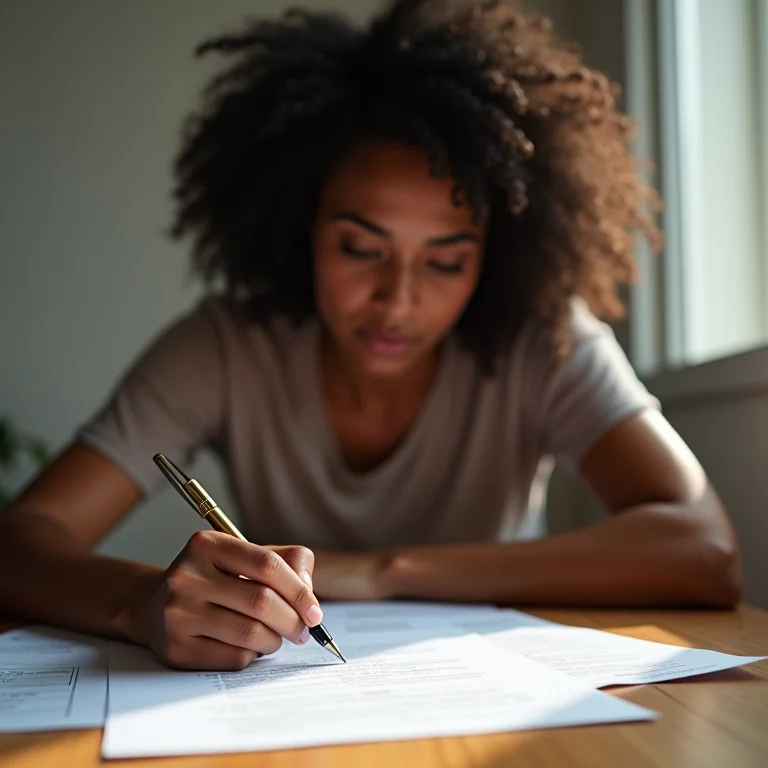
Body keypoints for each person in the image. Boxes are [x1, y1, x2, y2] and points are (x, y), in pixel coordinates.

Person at [0, 0, 741, 671]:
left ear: (498, 252)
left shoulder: (541, 341)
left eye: (447, 260)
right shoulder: (226, 346)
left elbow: (702, 549)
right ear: (301, 228)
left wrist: (384, 571)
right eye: (360, 249)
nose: (398, 300)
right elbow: (19, 541)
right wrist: (141, 604)